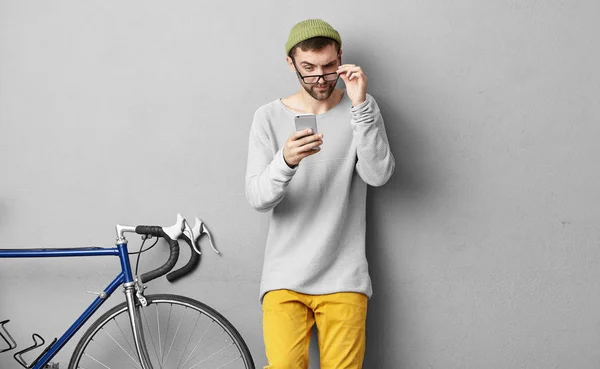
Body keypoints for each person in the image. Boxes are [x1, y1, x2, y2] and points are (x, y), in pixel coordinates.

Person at [245, 19, 395, 369]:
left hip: (344, 275)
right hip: (284, 277)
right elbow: (257, 197)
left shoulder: (363, 108)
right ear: (291, 63)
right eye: (308, 69)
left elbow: (378, 175)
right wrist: (285, 161)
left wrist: (359, 108)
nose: (320, 78)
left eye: (329, 67)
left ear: (340, 58)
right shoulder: (268, 117)